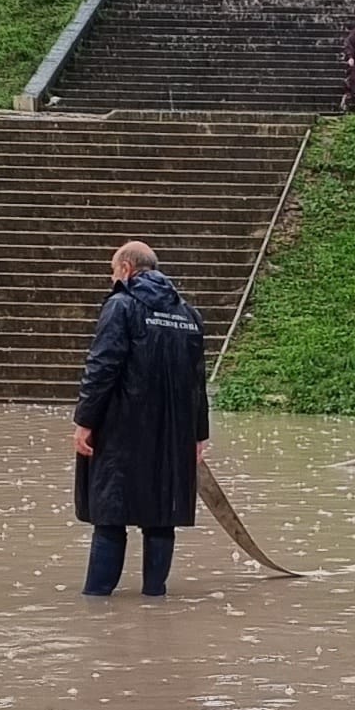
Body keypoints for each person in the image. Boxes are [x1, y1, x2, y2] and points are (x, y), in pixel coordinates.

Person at [73, 240, 209, 598]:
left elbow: (102, 366)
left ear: (127, 270)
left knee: (110, 516)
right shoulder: (189, 315)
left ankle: (97, 599)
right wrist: (198, 435)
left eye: (113, 271)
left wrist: (85, 420)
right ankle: (154, 596)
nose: (112, 278)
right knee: (161, 517)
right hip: (174, 434)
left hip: (122, 429)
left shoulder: (121, 305)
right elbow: (198, 380)